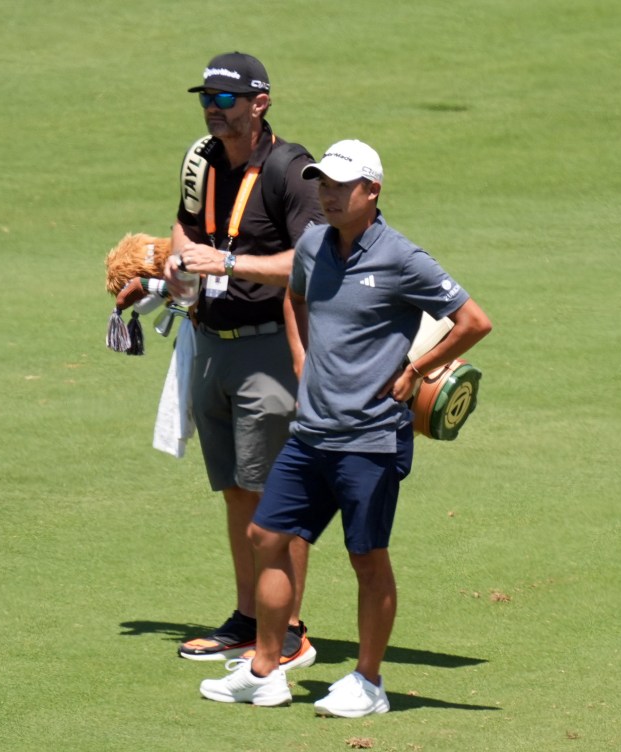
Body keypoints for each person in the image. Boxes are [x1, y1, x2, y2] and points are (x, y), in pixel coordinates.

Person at [199, 139, 493, 715]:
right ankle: (265, 671)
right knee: (267, 538)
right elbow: (295, 296)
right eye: (322, 185)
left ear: (371, 191)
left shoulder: (403, 258)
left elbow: (473, 321)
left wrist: (416, 369)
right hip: (312, 433)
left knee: (367, 558)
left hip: (371, 439)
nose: (327, 195)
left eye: (339, 186)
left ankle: (369, 682)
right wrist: (300, 355)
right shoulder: (312, 244)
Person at [164, 52, 325, 667]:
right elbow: (183, 225)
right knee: (236, 492)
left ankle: (289, 631)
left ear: (260, 104)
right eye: (206, 96)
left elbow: (313, 262)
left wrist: (227, 262)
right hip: (211, 345)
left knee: (278, 496)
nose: (212, 107)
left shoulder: (291, 169)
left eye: (226, 99)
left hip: (271, 350)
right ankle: (248, 616)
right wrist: (181, 261)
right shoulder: (200, 160)